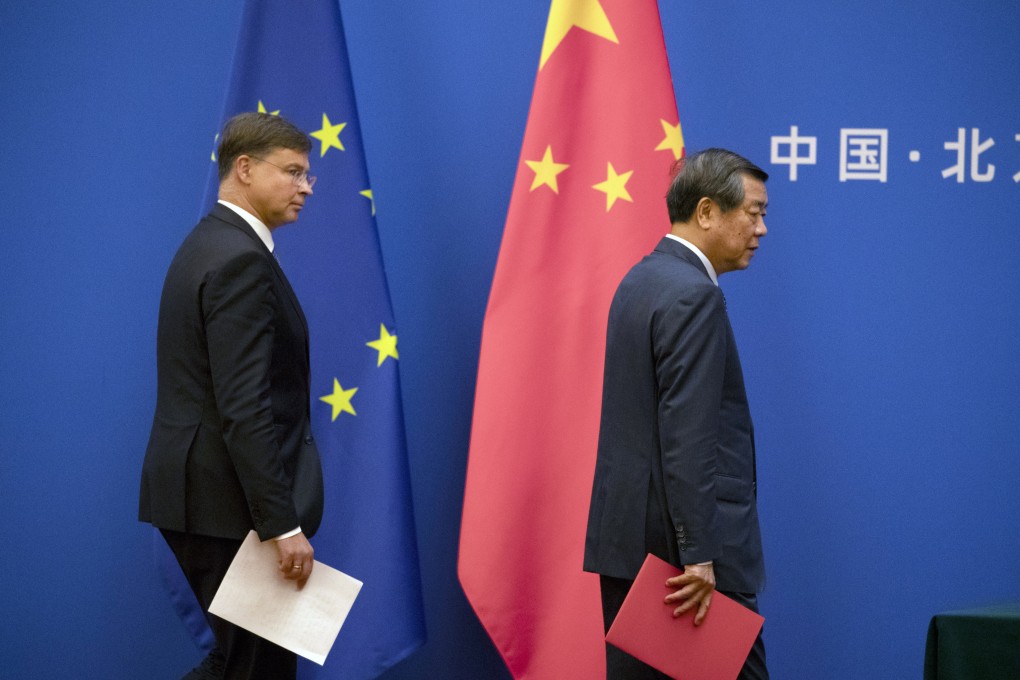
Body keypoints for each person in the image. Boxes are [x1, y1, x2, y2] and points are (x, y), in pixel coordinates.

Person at [139, 112, 324, 680]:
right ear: (243, 168)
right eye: (292, 172)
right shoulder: (240, 258)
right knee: (257, 668)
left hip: (206, 499)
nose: (306, 187)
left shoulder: (209, 242)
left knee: (243, 663)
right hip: (227, 506)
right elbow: (244, 406)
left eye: (308, 175)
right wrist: (280, 524)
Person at [584, 148, 770, 679]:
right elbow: (688, 436)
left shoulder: (640, 280)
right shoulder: (695, 296)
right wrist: (699, 555)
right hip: (685, 569)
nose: (761, 229)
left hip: (629, 549)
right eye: (753, 212)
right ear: (707, 211)